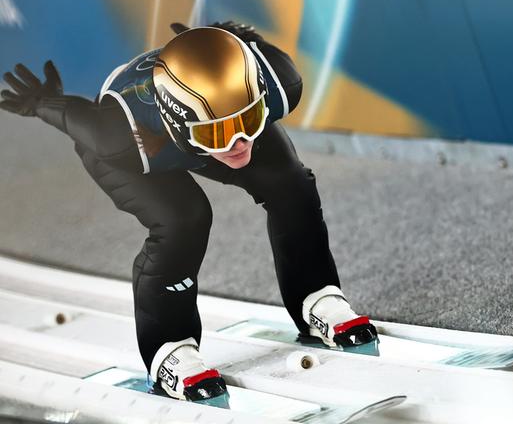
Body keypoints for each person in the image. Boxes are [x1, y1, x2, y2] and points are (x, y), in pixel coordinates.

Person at [0, 21, 377, 402]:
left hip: (185, 131)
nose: (238, 143)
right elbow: (75, 116)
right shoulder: (119, 137)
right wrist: (43, 103)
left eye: (248, 121)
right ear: (180, 123)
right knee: (183, 219)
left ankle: (316, 296)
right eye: (218, 132)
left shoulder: (280, 81)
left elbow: (246, 72)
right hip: (150, 149)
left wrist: (235, 39)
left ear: (260, 97)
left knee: (291, 185)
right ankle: (169, 349)